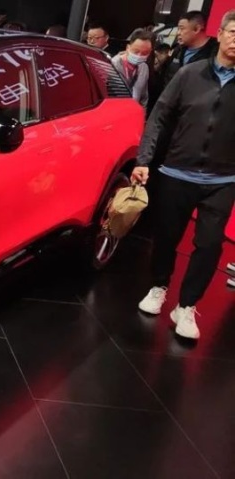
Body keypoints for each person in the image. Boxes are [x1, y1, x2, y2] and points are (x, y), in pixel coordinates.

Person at [134, 10, 235, 340]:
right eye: (233, 32)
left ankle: (187, 305)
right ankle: (158, 286)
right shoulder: (190, 74)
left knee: (209, 245)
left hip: (222, 180)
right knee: (166, 237)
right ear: (220, 34)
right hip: (177, 171)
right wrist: (144, 160)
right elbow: (159, 116)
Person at [111, 30, 153, 107]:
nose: (139, 56)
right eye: (136, 51)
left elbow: (144, 97)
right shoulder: (112, 65)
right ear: (128, 48)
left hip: (133, 111)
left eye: (144, 53)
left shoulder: (144, 68)